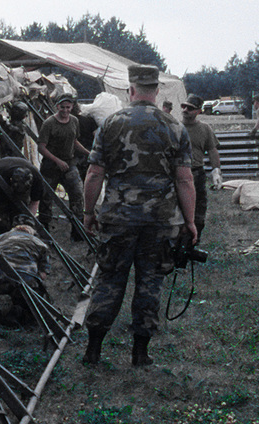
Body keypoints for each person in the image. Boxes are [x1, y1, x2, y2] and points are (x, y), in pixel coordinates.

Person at [80, 63, 198, 366]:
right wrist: (190, 221)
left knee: (109, 279)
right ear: (156, 91)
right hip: (159, 221)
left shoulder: (111, 124)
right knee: (150, 282)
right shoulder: (174, 127)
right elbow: (185, 178)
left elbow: (94, 173)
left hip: (118, 217)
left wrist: (88, 212)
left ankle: (93, 349)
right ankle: (140, 352)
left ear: (131, 90)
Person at [0, 214, 50, 326]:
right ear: (33, 229)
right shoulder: (41, 244)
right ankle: (20, 309)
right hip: (24, 284)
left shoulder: (0, 238)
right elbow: (43, 275)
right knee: (37, 283)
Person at [36, 96, 90, 240]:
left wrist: (88, 153)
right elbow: (41, 147)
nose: (65, 110)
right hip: (50, 166)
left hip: (69, 164)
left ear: (72, 107)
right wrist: (57, 160)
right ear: (57, 106)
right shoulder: (49, 123)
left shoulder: (74, 121)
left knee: (77, 194)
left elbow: (74, 141)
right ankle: (44, 230)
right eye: (63, 107)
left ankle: (77, 230)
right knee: (46, 197)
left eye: (68, 107)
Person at [180, 96, 223, 235]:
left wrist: (216, 171)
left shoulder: (204, 128)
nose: (185, 110)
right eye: (184, 106)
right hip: (178, 173)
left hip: (196, 173)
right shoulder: (174, 127)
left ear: (199, 111)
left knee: (198, 208)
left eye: (190, 108)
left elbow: (212, 150)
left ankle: (194, 240)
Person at [0, 153, 44, 236]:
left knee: (20, 211)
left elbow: (34, 203)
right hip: (2, 177)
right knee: (0, 215)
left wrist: (26, 220)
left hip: (20, 184)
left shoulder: (37, 178)